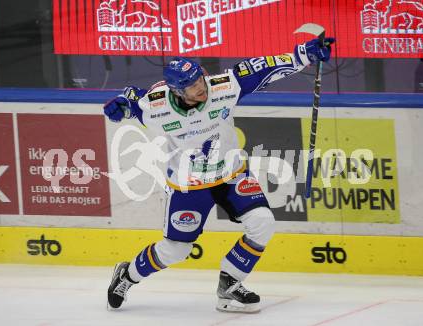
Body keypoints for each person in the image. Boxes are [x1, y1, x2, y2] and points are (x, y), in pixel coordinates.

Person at [103, 37, 334, 313]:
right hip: (188, 186)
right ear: (176, 91)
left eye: (199, 78)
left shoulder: (224, 86)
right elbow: (131, 98)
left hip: (231, 174)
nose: (201, 87)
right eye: (192, 86)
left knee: (263, 221)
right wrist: (119, 105)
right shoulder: (157, 107)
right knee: (176, 250)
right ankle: (127, 275)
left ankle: (230, 284)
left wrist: (304, 55)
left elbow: (263, 69)